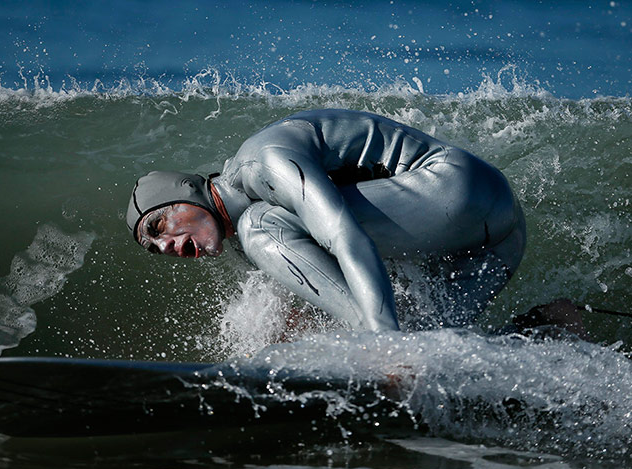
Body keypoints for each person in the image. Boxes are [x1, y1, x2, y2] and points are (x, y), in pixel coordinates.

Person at [126, 109, 527, 332]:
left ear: (184, 191)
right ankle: (549, 326)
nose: (167, 247)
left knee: (259, 226)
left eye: (158, 227)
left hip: (456, 187)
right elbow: (313, 289)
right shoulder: (261, 240)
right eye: (156, 249)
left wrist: (384, 344)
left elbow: (340, 233)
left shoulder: (261, 164)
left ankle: (382, 343)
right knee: (431, 340)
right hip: (501, 238)